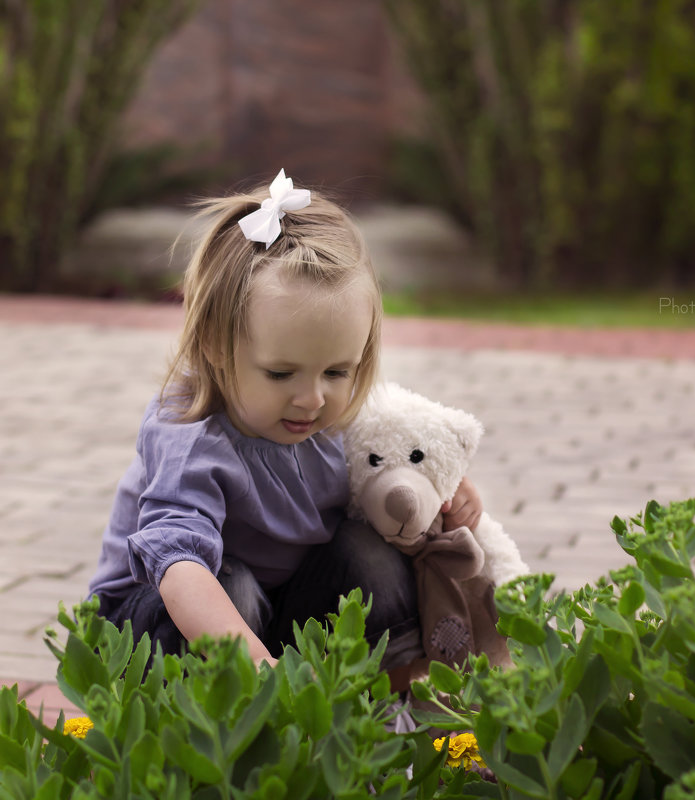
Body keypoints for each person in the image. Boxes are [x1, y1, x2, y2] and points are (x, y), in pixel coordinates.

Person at [87, 170, 482, 684]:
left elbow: (398, 459)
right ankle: (217, 726)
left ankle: (388, 690)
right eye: (280, 373)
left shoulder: (340, 412)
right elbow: (179, 568)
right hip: (156, 624)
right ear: (214, 344)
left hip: (277, 613)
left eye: (338, 371)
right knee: (231, 585)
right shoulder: (190, 431)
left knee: (370, 554)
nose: (313, 398)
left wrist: (444, 488)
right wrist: (258, 668)